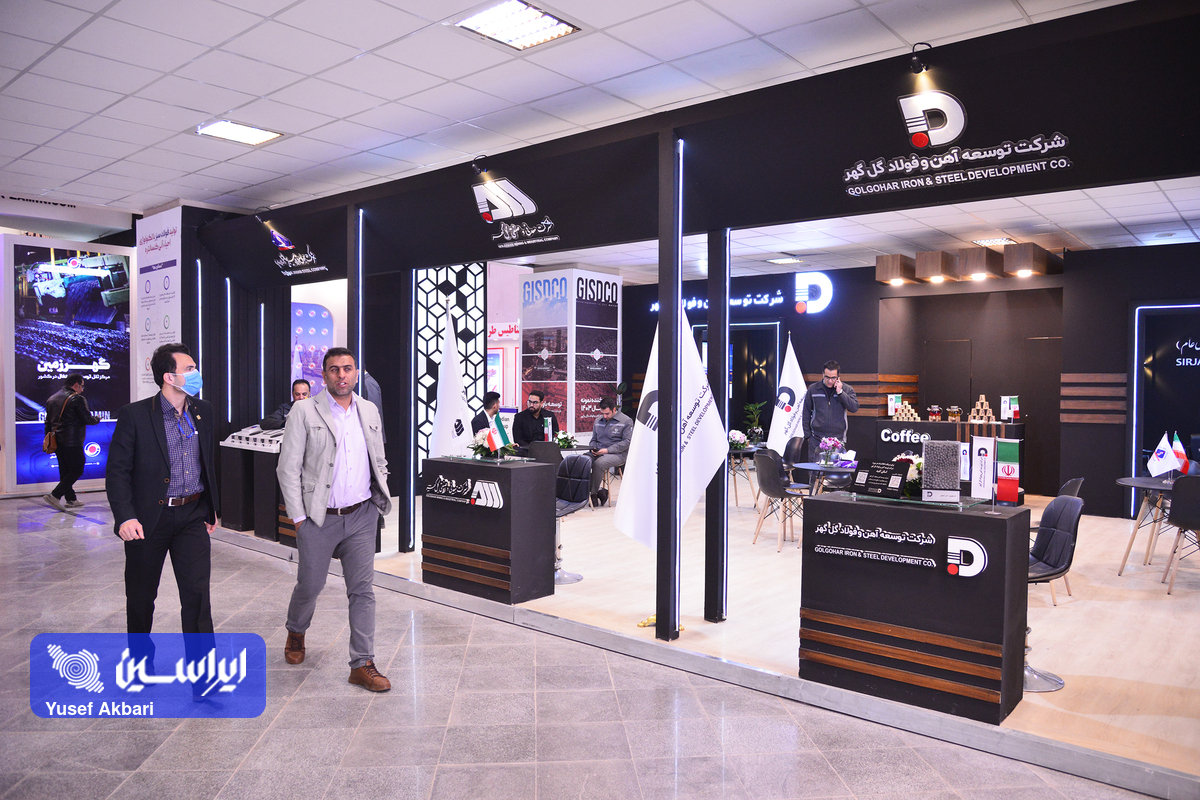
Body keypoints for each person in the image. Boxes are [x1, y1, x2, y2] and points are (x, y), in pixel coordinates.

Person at [277, 347, 393, 692]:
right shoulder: (304, 410)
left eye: (347, 368)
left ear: (356, 372)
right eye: (334, 369)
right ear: (323, 375)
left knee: (362, 591)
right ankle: (296, 631)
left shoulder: (368, 409)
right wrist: (299, 517)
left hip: (361, 516)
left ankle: (362, 663)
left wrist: (377, 499)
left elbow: (379, 457)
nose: (342, 375)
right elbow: (288, 468)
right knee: (310, 586)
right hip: (319, 518)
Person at [106, 343, 220, 658]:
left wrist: (211, 508)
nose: (196, 373)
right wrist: (125, 516)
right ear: (169, 377)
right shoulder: (135, 415)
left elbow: (208, 461)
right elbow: (117, 471)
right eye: (190, 369)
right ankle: (141, 661)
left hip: (192, 515)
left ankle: (203, 670)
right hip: (147, 520)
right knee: (141, 599)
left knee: (197, 595)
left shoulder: (203, 410)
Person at [42, 373, 99, 511]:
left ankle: (71, 499)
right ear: (76, 385)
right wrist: (97, 419)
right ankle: (55, 495)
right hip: (72, 441)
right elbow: (87, 419)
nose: (82, 390)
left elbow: (48, 422)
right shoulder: (76, 398)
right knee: (77, 468)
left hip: (57, 441)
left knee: (65, 470)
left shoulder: (52, 398)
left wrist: (48, 438)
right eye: (82, 386)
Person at [801, 360, 859, 462]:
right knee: (814, 470)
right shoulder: (813, 389)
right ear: (822, 374)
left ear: (838, 377)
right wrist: (808, 436)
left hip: (838, 440)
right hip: (816, 439)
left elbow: (854, 408)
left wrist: (840, 393)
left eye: (833, 378)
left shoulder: (846, 389)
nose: (830, 381)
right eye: (827, 377)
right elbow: (806, 412)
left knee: (835, 469)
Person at [587, 398, 632, 506]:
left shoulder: (626, 421)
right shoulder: (598, 421)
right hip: (598, 452)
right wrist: (593, 448)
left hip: (618, 454)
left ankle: (593, 494)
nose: (605, 416)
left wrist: (608, 450)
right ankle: (600, 491)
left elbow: (627, 442)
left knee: (599, 463)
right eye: (602, 413)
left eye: (607, 413)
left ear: (614, 409)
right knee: (582, 461)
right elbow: (594, 439)